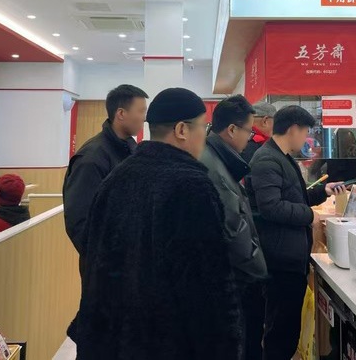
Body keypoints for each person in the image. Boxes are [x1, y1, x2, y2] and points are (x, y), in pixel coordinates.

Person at [75, 88, 242, 360]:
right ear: (182, 130)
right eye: (203, 126)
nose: (205, 135)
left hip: (113, 339)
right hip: (168, 342)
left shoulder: (116, 178)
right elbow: (207, 287)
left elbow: (93, 260)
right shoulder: (192, 186)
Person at [246, 106, 345, 360]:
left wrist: (323, 191)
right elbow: (271, 207)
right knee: (281, 331)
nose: (306, 138)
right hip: (279, 260)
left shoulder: (282, 157)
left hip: (288, 256)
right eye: (305, 132)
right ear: (293, 129)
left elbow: (294, 198)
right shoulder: (267, 160)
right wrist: (309, 215)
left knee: (287, 328)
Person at [200, 95, 267, 360]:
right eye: (248, 131)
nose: (249, 138)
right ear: (231, 130)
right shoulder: (214, 167)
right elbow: (232, 227)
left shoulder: (219, 159)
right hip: (234, 283)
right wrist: (257, 268)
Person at [63, 84, 148, 253]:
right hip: (108, 262)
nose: (144, 118)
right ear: (121, 114)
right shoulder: (91, 159)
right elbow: (80, 223)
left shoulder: (132, 150)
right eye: (141, 111)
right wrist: (111, 258)